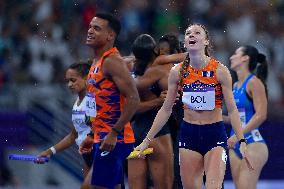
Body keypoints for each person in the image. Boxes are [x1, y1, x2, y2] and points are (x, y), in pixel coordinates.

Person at [135, 24, 253, 189]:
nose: (192, 35)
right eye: (188, 33)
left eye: (197, 33)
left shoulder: (220, 71)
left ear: (205, 41)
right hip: (189, 135)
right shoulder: (176, 72)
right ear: (185, 43)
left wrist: (242, 140)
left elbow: (232, 109)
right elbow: (166, 109)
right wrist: (147, 140)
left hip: (215, 135)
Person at [79, 12, 139, 189]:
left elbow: (134, 98)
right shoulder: (98, 61)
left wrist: (114, 132)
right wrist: (92, 134)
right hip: (103, 136)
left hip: (113, 139)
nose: (90, 31)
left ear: (110, 35)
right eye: (90, 27)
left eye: (96, 28)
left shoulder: (112, 61)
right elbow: (95, 101)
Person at [35, 62, 93, 188]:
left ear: (86, 78)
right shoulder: (77, 103)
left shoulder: (93, 100)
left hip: (100, 154)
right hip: (88, 157)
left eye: (73, 80)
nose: (69, 85)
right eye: (68, 81)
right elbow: (73, 136)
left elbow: (100, 131)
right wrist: (49, 151)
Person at [128, 34, 174, 189]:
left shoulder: (129, 72)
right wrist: (157, 101)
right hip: (157, 134)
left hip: (135, 134)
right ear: (155, 50)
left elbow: (129, 108)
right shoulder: (161, 70)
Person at [224, 45, 268, 189]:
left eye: (236, 54)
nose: (231, 57)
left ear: (245, 58)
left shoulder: (254, 82)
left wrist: (238, 136)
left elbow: (261, 115)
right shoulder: (235, 85)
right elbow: (236, 118)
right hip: (235, 145)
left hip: (252, 143)